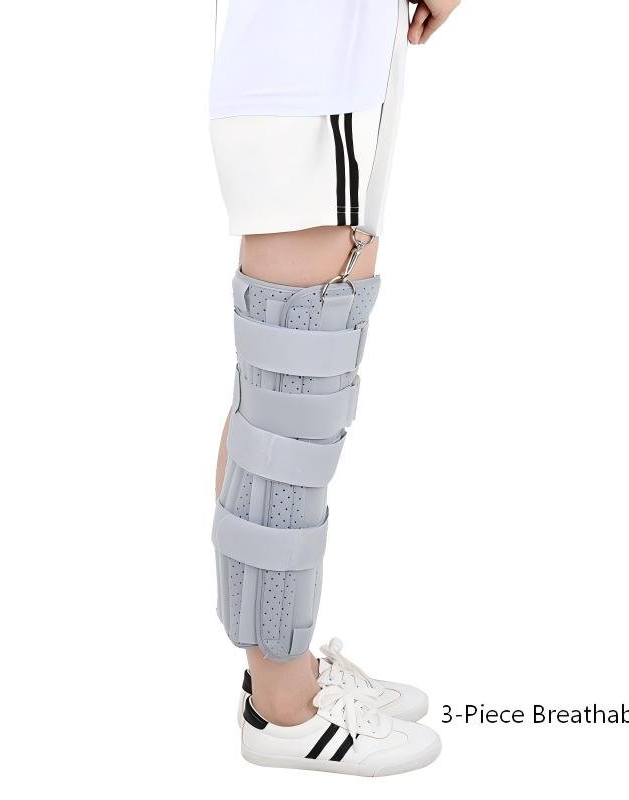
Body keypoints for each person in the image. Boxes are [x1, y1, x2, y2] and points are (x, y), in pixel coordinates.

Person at [209, 0, 461, 777]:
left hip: (316, 55)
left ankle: (282, 676)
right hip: (309, 57)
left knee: (279, 395)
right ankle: (284, 706)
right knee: (291, 401)